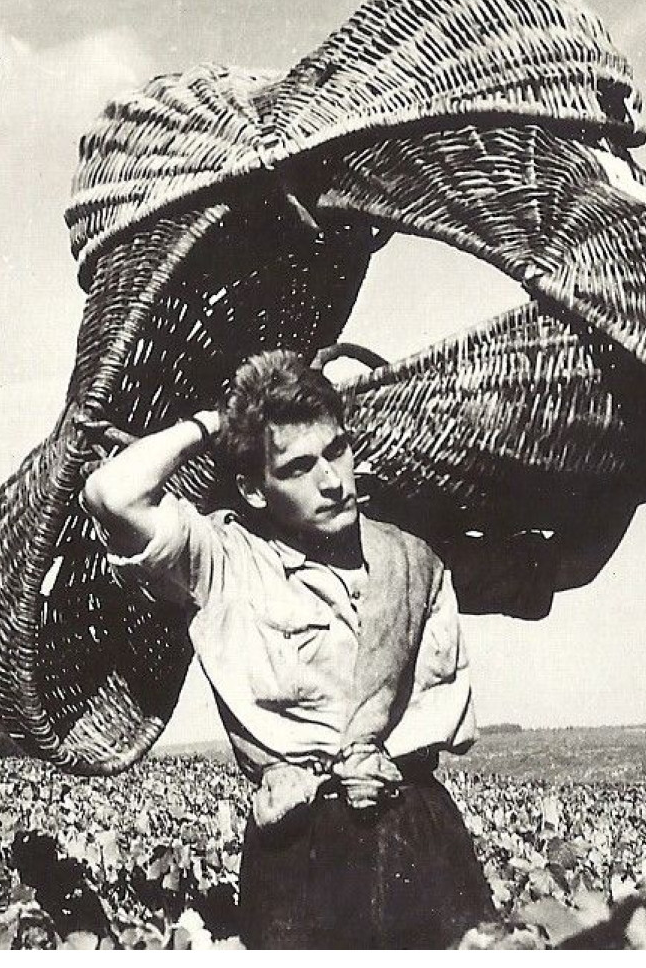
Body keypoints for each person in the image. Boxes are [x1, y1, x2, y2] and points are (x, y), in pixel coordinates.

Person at [82, 349, 496, 949]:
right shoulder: (225, 562)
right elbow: (111, 494)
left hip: (418, 832)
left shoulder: (411, 556)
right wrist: (212, 425)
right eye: (298, 467)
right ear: (253, 488)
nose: (331, 481)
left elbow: (561, 565)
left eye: (336, 451)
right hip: (300, 849)